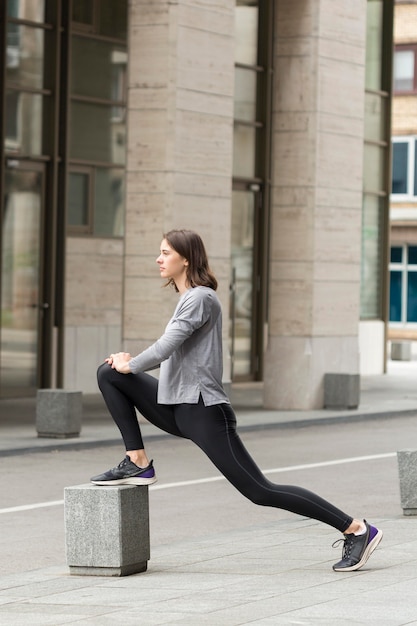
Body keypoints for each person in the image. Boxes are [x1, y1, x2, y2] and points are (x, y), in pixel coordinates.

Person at [91, 229, 383, 573]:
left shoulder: (201, 297)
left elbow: (168, 344)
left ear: (186, 258)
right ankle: (137, 461)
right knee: (109, 372)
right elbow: (168, 350)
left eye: (166, 253)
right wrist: (125, 366)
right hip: (176, 405)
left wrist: (133, 363)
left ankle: (357, 529)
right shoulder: (187, 298)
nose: (159, 258)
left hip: (204, 412)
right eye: (160, 252)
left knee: (260, 491)